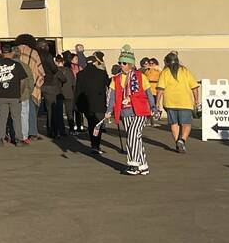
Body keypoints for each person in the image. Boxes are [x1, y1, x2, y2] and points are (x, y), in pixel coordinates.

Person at [105, 44, 158, 175]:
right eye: (120, 62)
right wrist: (108, 111)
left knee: (132, 136)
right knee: (135, 138)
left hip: (140, 110)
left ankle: (133, 164)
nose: (121, 65)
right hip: (125, 111)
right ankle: (143, 165)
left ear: (130, 64)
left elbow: (148, 93)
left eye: (123, 62)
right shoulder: (116, 79)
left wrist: (153, 107)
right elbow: (112, 96)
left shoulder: (141, 77)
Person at [156, 51, 200, 153]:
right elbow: (194, 87)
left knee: (174, 123)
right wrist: (196, 100)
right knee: (186, 123)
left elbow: (160, 89)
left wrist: (157, 102)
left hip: (170, 102)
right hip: (185, 101)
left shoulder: (165, 72)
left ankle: (177, 142)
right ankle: (182, 140)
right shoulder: (185, 71)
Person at [0, 46, 26, 145]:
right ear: (11, 53)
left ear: (1, 53)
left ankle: (0, 138)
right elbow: (23, 80)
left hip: (2, 95)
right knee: (16, 117)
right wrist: (21, 92)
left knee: (2, 117)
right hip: (15, 95)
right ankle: (18, 139)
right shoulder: (17, 65)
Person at [74, 53, 109, 154]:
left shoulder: (80, 74)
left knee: (90, 124)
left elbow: (78, 91)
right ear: (95, 62)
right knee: (98, 124)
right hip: (99, 103)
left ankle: (93, 144)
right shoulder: (101, 73)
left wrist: (77, 105)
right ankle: (96, 144)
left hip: (86, 103)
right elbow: (109, 83)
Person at [13, 35, 45, 143]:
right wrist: (38, 84)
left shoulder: (14, 51)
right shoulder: (33, 52)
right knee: (30, 110)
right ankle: (32, 132)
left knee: (15, 111)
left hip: (15, 84)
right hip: (30, 85)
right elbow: (40, 71)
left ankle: (17, 132)